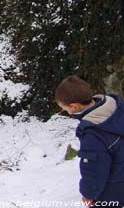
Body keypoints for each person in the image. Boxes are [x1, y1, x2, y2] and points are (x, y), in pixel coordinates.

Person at [55, 76, 124, 207]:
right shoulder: (116, 108)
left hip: (114, 191)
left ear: (74, 106)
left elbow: (94, 169)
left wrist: (88, 194)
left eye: (66, 109)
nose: (68, 113)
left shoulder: (92, 133)